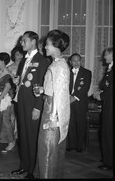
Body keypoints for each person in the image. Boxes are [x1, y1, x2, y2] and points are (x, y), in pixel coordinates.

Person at [11, 31, 50, 179]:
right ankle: (24, 166)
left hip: (33, 104)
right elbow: (23, 81)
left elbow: (42, 85)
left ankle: (33, 170)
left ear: (33, 41)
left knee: (32, 137)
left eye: (24, 40)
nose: (22, 43)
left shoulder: (42, 60)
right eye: (21, 41)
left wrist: (37, 107)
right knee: (23, 135)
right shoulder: (23, 60)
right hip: (21, 102)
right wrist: (16, 82)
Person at [33, 29, 70, 179]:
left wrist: (53, 119)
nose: (45, 47)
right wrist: (42, 90)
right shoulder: (56, 64)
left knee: (48, 150)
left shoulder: (60, 66)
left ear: (55, 46)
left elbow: (60, 96)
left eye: (47, 44)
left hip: (52, 112)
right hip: (48, 108)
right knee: (46, 149)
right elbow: (53, 89)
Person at [0, 52, 16, 152]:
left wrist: (0, 97)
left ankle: (11, 141)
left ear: (3, 61)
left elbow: (7, 86)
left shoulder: (7, 72)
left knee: (5, 121)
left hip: (5, 99)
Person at [66, 53, 92, 152]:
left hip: (80, 101)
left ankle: (79, 146)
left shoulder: (87, 72)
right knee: (70, 123)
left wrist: (75, 97)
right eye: (74, 61)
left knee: (80, 123)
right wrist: (68, 97)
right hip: (68, 101)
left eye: (78, 60)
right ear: (70, 62)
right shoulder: (67, 72)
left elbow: (85, 87)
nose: (76, 63)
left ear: (80, 61)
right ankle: (71, 144)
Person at [93, 47, 113, 170]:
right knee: (106, 132)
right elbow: (106, 85)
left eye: (106, 55)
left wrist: (100, 95)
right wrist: (100, 92)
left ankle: (109, 162)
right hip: (108, 104)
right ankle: (108, 157)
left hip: (111, 105)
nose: (104, 57)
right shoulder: (110, 68)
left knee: (108, 133)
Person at [7, 46, 25, 141]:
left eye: (21, 54)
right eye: (17, 54)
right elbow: (7, 83)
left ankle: (21, 136)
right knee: (12, 117)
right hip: (12, 94)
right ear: (14, 55)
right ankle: (13, 138)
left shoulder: (26, 66)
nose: (20, 56)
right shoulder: (9, 68)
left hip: (23, 95)